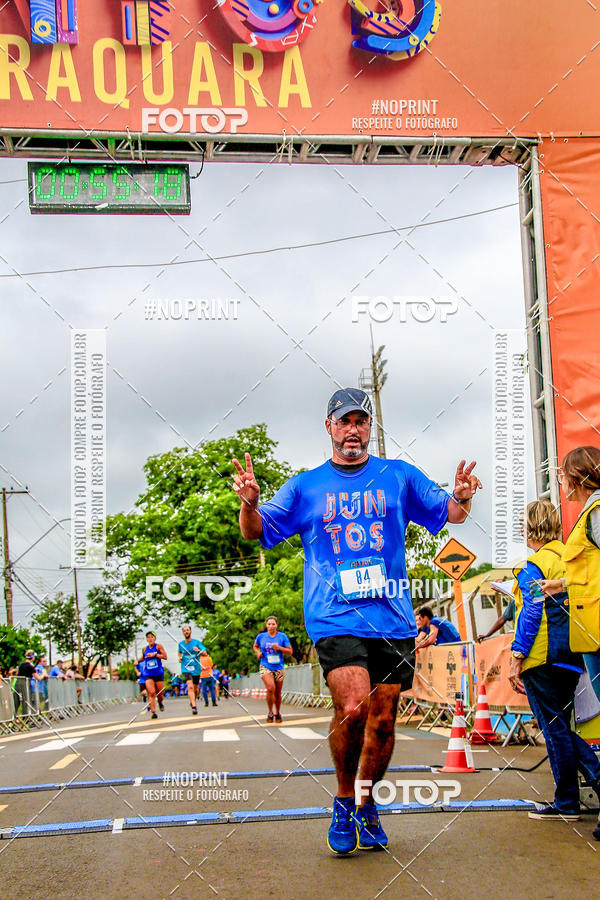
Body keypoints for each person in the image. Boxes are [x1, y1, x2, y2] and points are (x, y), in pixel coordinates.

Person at [233, 387, 481, 855]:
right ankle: (344, 799)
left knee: (383, 720)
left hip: (392, 617)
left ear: (370, 428)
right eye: (344, 421)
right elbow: (256, 530)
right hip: (334, 614)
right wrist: (249, 504)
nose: (353, 429)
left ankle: (367, 802)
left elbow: (450, 513)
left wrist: (463, 497)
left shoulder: (398, 475)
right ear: (329, 427)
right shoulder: (305, 486)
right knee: (353, 706)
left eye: (360, 421)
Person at [508, 499, 600, 825]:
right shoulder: (571, 558)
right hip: (574, 654)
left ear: (529, 529)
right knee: (560, 726)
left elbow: (532, 610)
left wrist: (517, 656)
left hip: (542, 656)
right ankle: (569, 800)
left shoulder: (533, 565)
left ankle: (576, 795)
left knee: (554, 728)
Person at [253, 616, 293, 722]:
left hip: (279, 667)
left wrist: (279, 648)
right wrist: (258, 653)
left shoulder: (282, 636)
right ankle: (270, 712)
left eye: (273, 624)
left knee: (277, 692)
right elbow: (255, 646)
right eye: (269, 624)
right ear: (266, 625)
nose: (271, 626)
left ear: (276, 625)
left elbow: (290, 651)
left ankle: (277, 712)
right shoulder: (261, 636)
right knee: (271, 688)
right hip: (265, 665)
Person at [138, 631, 167, 719]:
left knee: (160, 693)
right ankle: (153, 712)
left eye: (152, 637)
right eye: (148, 637)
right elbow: (143, 658)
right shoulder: (144, 649)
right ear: (146, 639)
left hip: (158, 673)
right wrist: (137, 661)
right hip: (148, 674)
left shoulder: (158, 646)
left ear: (155, 638)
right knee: (151, 692)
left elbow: (165, 657)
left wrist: (155, 655)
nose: (150, 639)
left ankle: (160, 702)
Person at [178, 624, 205, 715]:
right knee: (190, 686)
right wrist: (180, 657)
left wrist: (198, 651)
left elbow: (205, 652)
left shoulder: (196, 642)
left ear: (190, 631)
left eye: (187, 630)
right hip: (186, 668)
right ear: (183, 633)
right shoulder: (181, 644)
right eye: (184, 630)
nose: (186, 632)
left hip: (196, 668)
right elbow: (179, 652)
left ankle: (193, 701)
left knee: (195, 689)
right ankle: (194, 706)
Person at [15, 650, 36, 715]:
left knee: (16, 701)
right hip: (25, 685)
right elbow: (38, 677)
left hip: (18, 684)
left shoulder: (21, 665)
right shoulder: (30, 666)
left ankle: (13, 717)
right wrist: (43, 674)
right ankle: (26, 716)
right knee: (26, 701)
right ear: (32, 657)